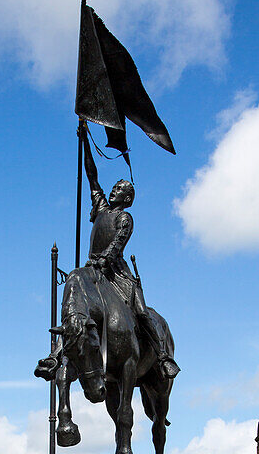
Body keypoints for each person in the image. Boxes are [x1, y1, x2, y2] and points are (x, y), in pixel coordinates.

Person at [36, 125, 179, 383]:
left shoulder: (125, 218)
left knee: (142, 312)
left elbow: (118, 245)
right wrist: (85, 143)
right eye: (114, 187)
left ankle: (162, 356)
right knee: (75, 309)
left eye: (120, 189)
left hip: (116, 275)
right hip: (93, 271)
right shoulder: (101, 208)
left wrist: (105, 259)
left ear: (127, 197)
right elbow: (92, 177)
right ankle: (54, 355)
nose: (114, 190)